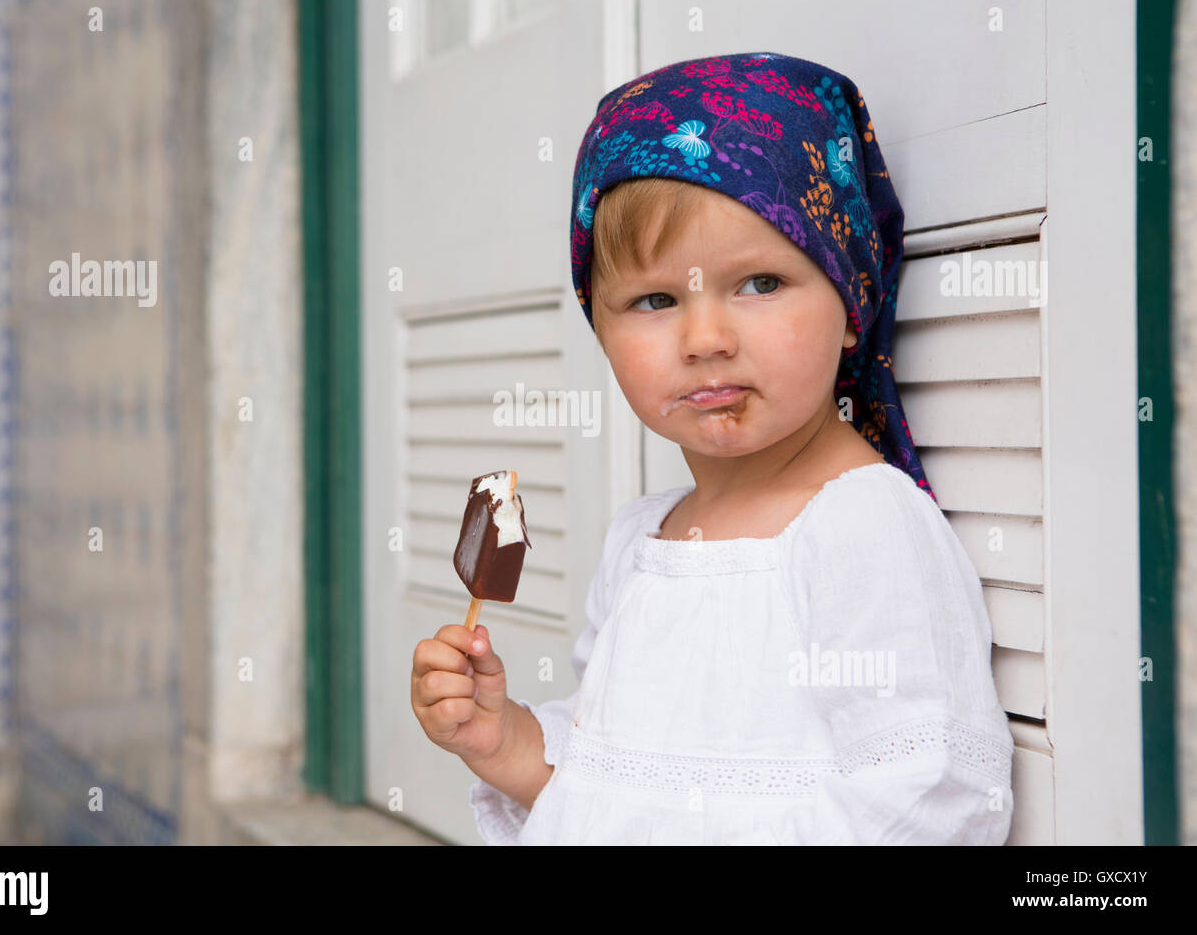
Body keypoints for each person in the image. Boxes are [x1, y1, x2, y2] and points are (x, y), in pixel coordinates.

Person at [411, 52, 1014, 844]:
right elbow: (610, 778)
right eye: (655, 300)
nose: (705, 339)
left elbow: (933, 796)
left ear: (849, 296)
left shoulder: (861, 527)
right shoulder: (641, 538)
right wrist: (506, 740)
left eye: (760, 284)